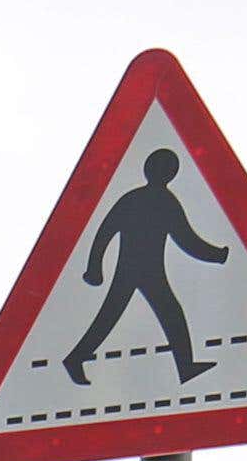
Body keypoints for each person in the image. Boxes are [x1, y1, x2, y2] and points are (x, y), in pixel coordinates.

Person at [58, 147, 234, 388]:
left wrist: (94, 266)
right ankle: (75, 358)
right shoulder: (161, 201)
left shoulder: (137, 198)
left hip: (144, 271)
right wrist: (217, 255)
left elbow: (106, 233)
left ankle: (185, 366)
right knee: (121, 316)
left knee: (161, 312)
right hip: (138, 270)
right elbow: (185, 240)